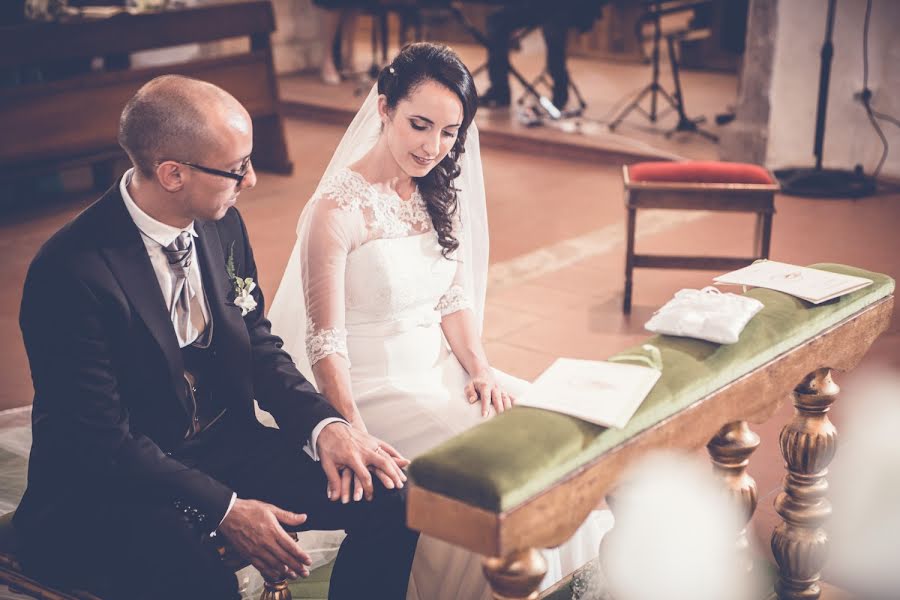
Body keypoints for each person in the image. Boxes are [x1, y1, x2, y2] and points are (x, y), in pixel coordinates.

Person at [16, 75, 418, 600]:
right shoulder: (70, 272)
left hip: (222, 446)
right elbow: (102, 441)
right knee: (199, 578)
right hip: (114, 485)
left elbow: (256, 346)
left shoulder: (220, 223)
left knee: (393, 498)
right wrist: (226, 507)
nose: (251, 180)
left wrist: (327, 427)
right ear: (173, 173)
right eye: (236, 169)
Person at [268, 42, 612, 600]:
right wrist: (355, 432)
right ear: (384, 109)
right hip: (373, 389)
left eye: (450, 132)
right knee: (504, 474)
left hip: (443, 370)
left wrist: (480, 367)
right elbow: (324, 343)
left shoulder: (435, 190)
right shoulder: (335, 211)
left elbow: (451, 299)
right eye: (419, 125)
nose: (433, 147)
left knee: (556, 436)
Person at [479, 1, 604, 110]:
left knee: (553, 27)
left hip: (564, 7)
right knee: (498, 20)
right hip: (544, 6)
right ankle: (500, 90)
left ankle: (559, 95)